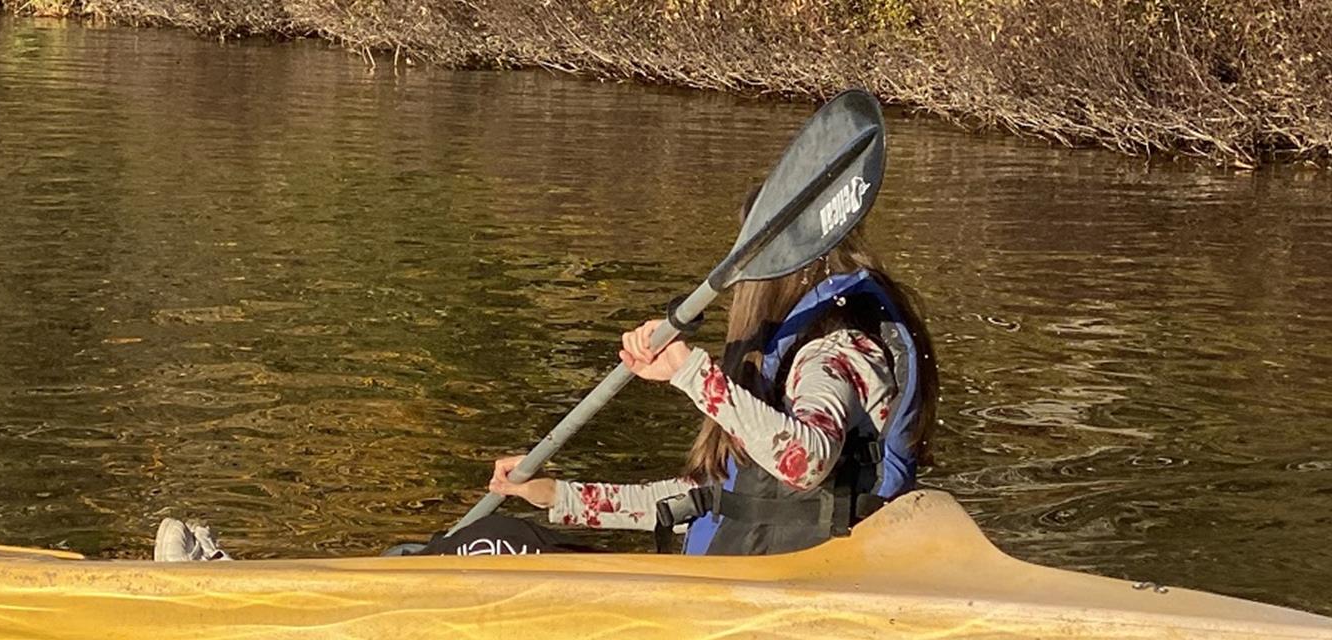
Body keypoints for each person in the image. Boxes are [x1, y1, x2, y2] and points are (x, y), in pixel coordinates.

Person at [156, 197, 938, 560]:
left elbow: (806, 459)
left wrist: (687, 371)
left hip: (773, 601)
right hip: (724, 586)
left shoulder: (840, 346)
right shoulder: (795, 351)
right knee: (494, 537)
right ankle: (248, 586)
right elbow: (696, 504)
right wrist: (555, 495)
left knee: (488, 551)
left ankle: (237, 600)